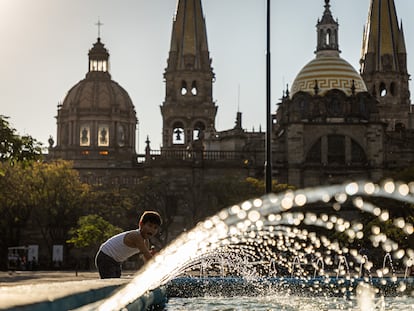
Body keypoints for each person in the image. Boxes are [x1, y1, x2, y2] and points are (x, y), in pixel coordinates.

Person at [95, 211, 162, 279]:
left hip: (117, 261)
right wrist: (161, 267)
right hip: (106, 257)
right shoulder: (136, 236)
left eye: (155, 228)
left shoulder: (146, 242)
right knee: (109, 281)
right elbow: (147, 255)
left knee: (116, 281)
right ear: (141, 224)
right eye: (150, 225)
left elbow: (146, 260)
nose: (152, 230)